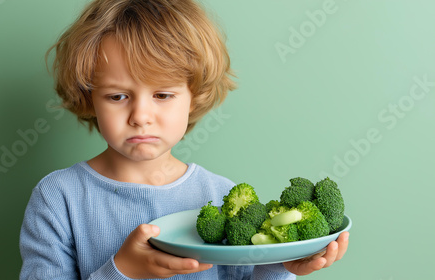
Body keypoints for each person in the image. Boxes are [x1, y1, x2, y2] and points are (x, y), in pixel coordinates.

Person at [19, 0, 349, 279]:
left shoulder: (219, 195)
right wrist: (123, 270)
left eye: (162, 94)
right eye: (118, 96)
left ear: (194, 97)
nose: (141, 116)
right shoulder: (57, 199)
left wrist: (281, 263)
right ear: (90, 98)